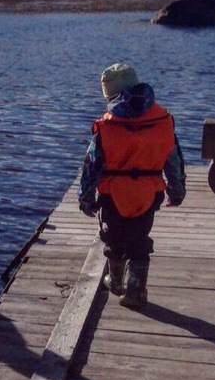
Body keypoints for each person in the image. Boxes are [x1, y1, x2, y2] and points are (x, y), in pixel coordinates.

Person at [78, 63, 185, 309]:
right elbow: (174, 160)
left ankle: (115, 281)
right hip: (149, 192)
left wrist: (85, 198)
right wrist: (176, 190)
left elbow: (92, 166)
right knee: (139, 239)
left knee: (112, 237)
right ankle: (136, 290)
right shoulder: (163, 119)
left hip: (112, 194)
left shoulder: (105, 126)